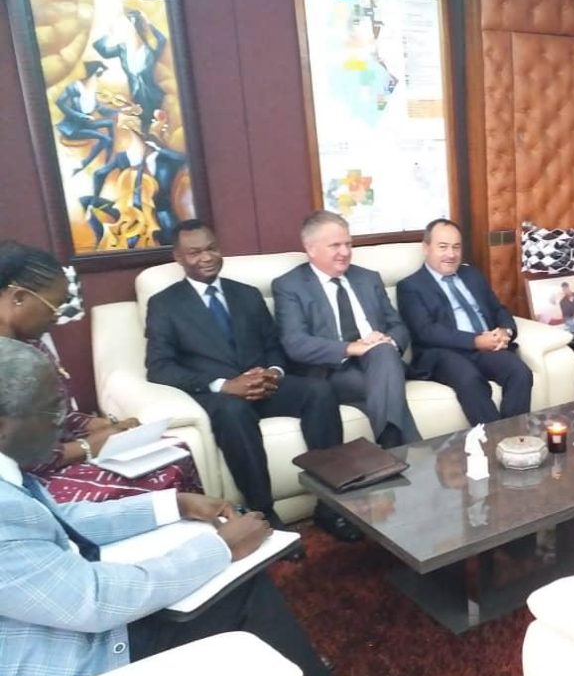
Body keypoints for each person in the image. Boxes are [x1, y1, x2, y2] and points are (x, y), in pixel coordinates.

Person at [0, 338, 391, 676]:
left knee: (222, 582)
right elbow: (94, 600)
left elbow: (65, 518)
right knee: (240, 591)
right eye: (51, 412)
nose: (62, 423)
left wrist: (173, 504)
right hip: (66, 663)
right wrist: (218, 547)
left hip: (61, 620)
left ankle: (293, 669)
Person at [145, 220, 343, 529]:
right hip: (219, 396)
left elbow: (274, 345)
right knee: (233, 412)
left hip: (264, 386)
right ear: (178, 257)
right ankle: (264, 513)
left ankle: (330, 503)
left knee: (319, 391)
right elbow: (159, 367)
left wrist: (273, 372)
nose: (206, 257)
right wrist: (223, 385)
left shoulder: (247, 294)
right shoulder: (164, 304)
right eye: (195, 252)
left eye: (212, 248)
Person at [0, 239, 201, 502]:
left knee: (173, 450)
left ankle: (212, 521)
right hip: (23, 483)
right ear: (19, 298)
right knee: (155, 481)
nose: (56, 316)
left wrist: (107, 426)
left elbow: (58, 415)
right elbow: (17, 455)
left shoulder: (33, 344)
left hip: (58, 456)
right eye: (54, 306)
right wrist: (88, 446)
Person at [273, 210, 420, 451]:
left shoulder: (368, 278)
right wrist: (352, 348)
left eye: (348, 244)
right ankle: (402, 449)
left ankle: (392, 446)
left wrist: (386, 340)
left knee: (383, 352)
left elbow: (398, 326)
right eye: (335, 245)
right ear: (311, 249)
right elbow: (295, 343)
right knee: (382, 388)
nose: (345, 252)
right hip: (332, 371)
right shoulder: (290, 286)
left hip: (381, 362)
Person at [397, 219, 532, 424]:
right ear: (426, 248)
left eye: (456, 247)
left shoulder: (472, 275)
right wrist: (475, 341)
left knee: (519, 371)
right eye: (443, 247)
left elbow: (498, 309)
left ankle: (514, 437)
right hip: (443, 354)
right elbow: (425, 331)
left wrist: (505, 331)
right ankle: (495, 438)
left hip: (486, 347)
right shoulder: (410, 286)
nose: (451, 254)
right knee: (469, 379)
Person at [55, 60, 116, 174]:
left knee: (110, 123)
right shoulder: (75, 87)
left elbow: (99, 108)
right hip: (74, 127)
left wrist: (119, 111)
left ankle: (108, 162)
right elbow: (59, 102)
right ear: (91, 74)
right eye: (97, 74)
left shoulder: (91, 89)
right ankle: (82, 165)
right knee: (105, 139)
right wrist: (79, 116)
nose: (98, 78)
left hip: (86, 124)